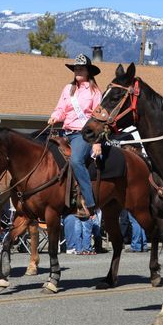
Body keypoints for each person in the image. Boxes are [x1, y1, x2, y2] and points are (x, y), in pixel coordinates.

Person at [48, 54, 103, 219]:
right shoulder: (67, 89)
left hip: (83, 135)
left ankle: (88, 201)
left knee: (76, 160)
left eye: (81, 68)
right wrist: (54, 116)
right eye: (76, 68)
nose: (77, 71)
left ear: (88, 71)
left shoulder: (95, 91)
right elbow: (60, 109)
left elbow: (98, 119)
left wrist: (97, 141)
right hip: (65, 133)